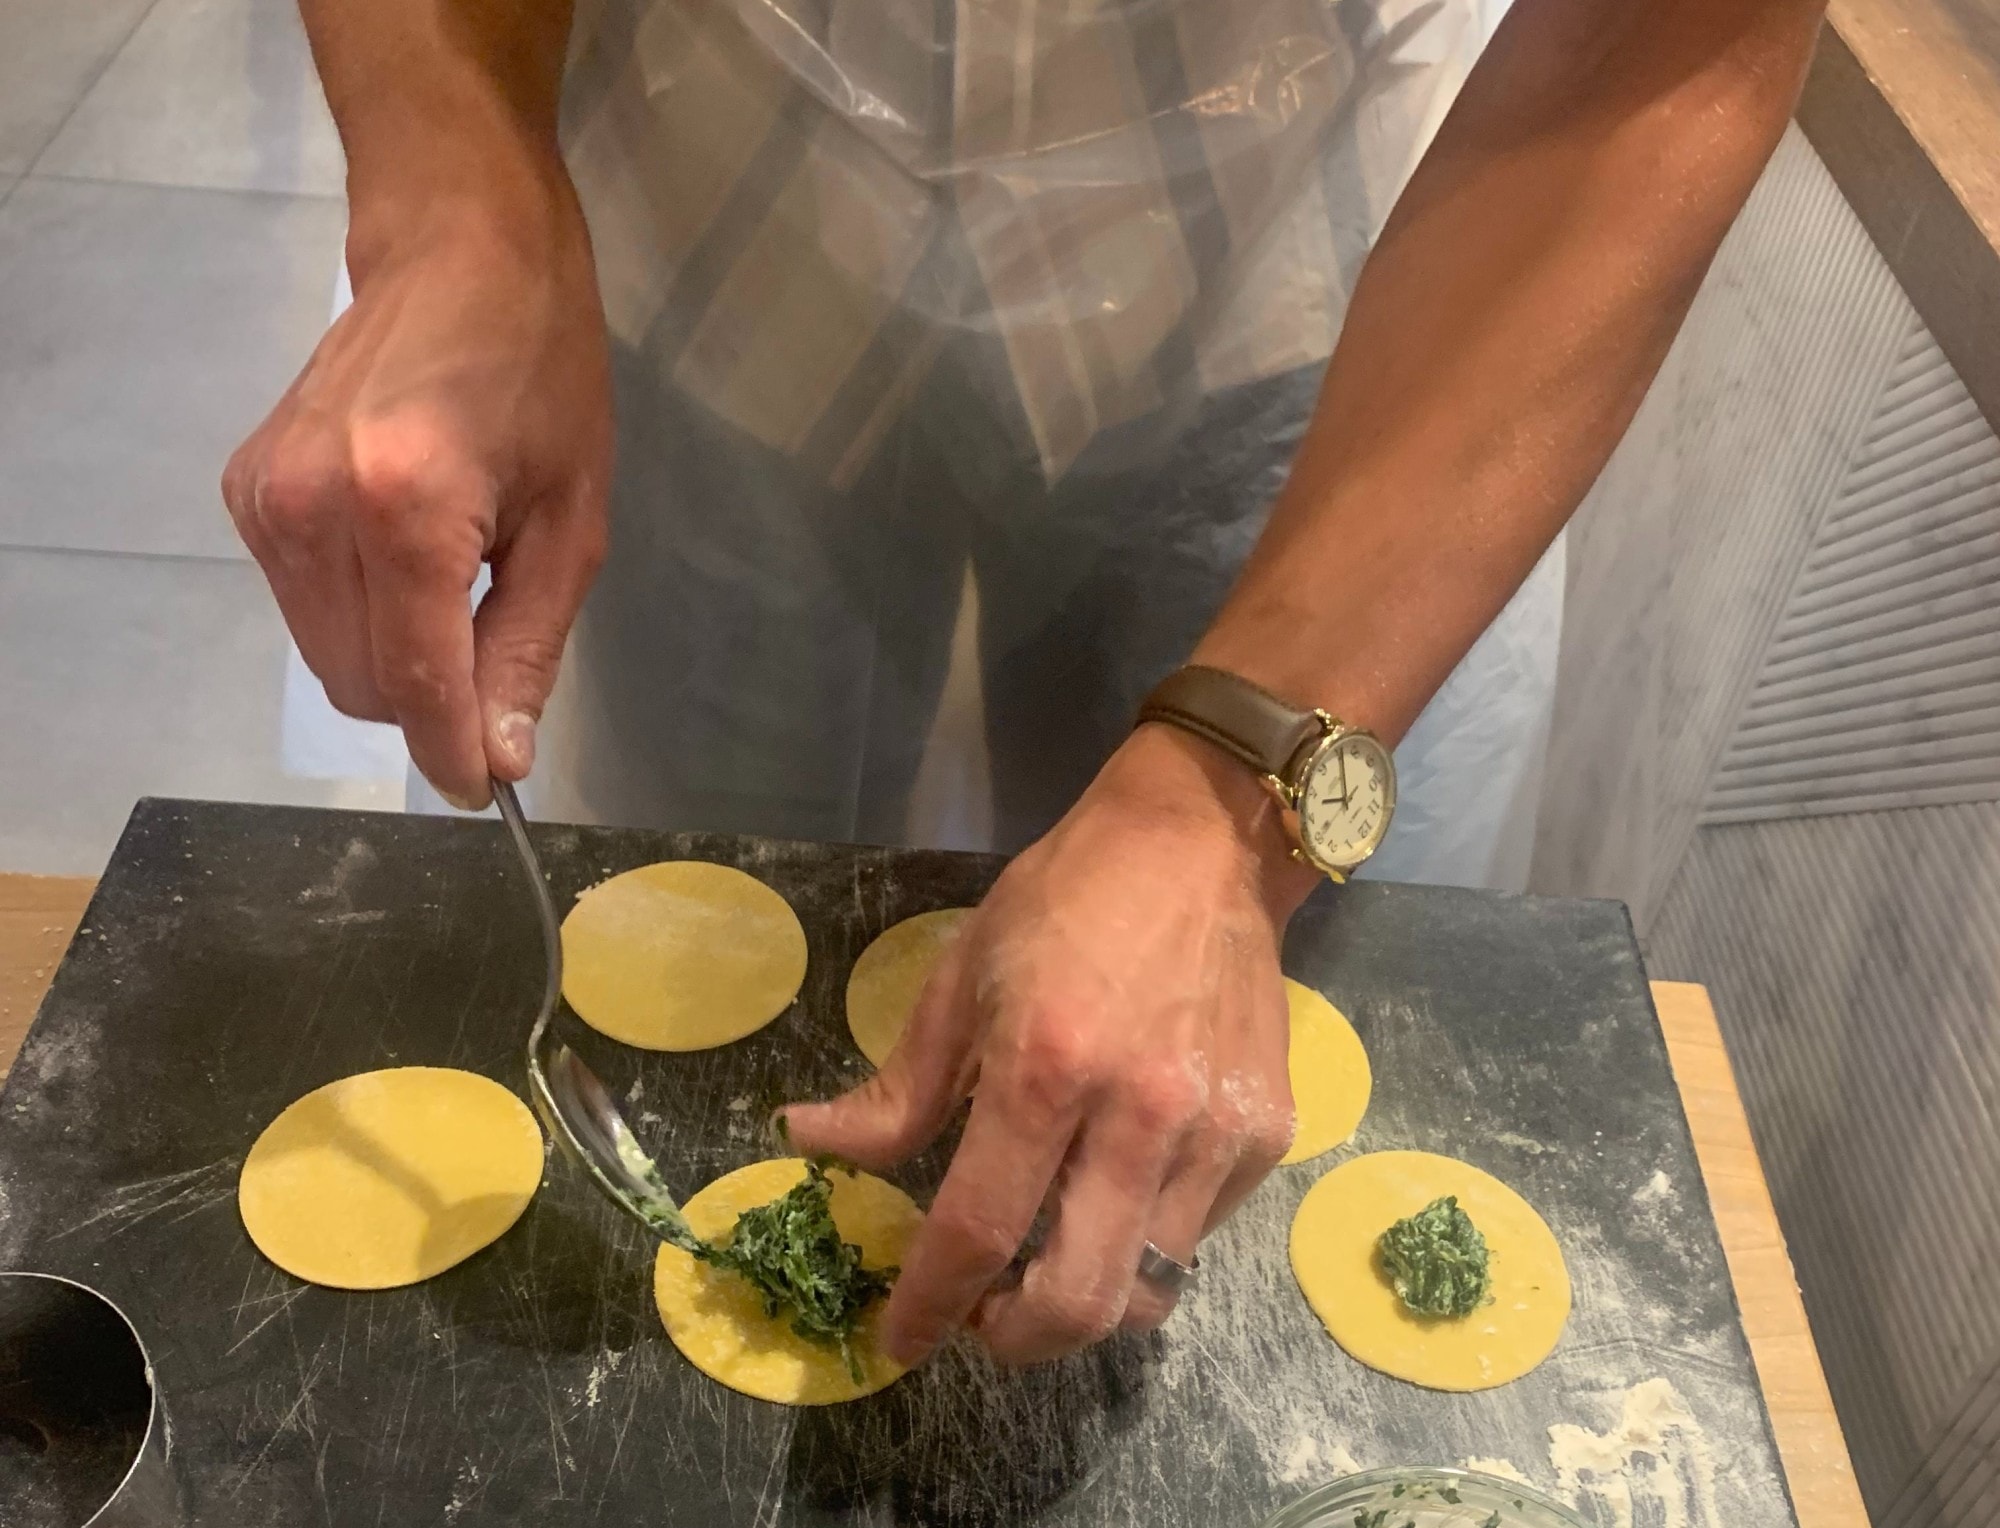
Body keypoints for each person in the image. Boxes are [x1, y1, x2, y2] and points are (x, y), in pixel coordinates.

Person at [225, 0, 1826, 1369]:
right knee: (694, 995)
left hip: (1328, 285)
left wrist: (1231, 790)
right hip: (707, 221)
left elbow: (1672, 34)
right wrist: (457, 194)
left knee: (1270, 1142)